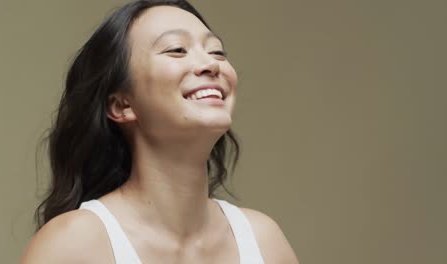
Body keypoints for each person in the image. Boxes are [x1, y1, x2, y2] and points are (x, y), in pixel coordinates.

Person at [20, 0, 299, 263]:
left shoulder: (264, 241)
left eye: (217, 51)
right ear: (122, 104)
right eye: (177, 49)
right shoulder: (72, 244)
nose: (211, 64)